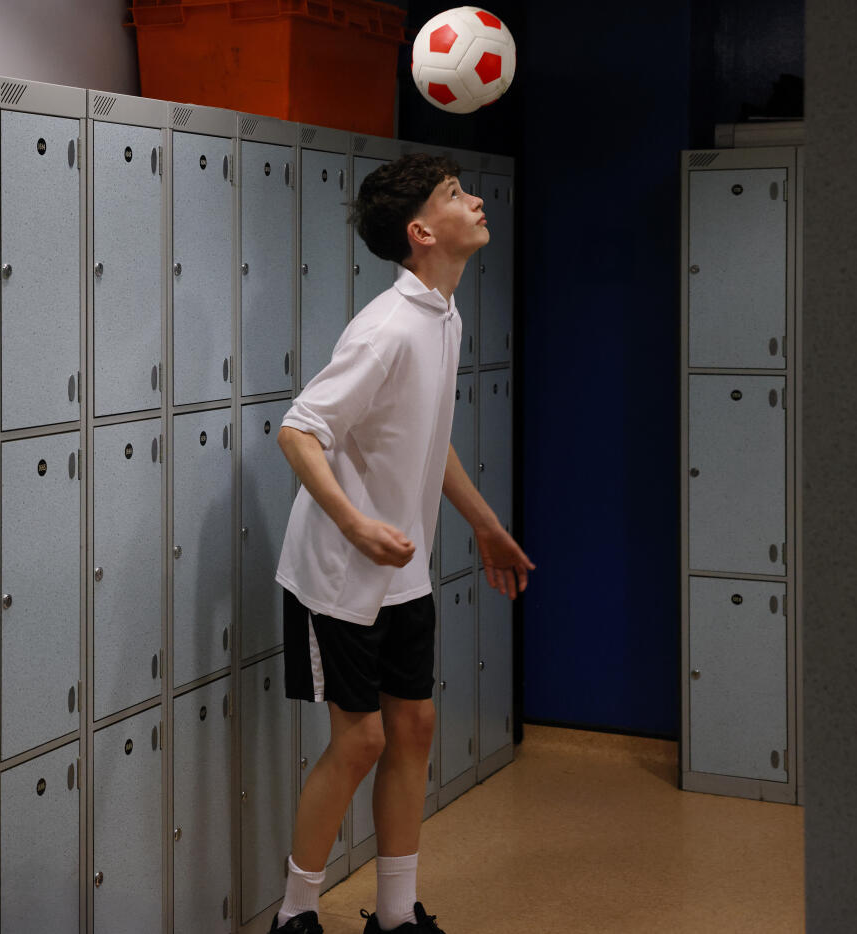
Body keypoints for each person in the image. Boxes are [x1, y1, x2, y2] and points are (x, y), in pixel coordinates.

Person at [270, 153, 535, 934]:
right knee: (361, 743)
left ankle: (393, 917)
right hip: (337, 576)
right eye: (456, 195)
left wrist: (483, 524)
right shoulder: (387, 328)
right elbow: (299, 431)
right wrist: (354, 523)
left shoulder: (444, 315)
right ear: (422, 231)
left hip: (402, 572)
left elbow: (426, 439)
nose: (477, 200)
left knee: (413, 730)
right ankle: (294, 917)